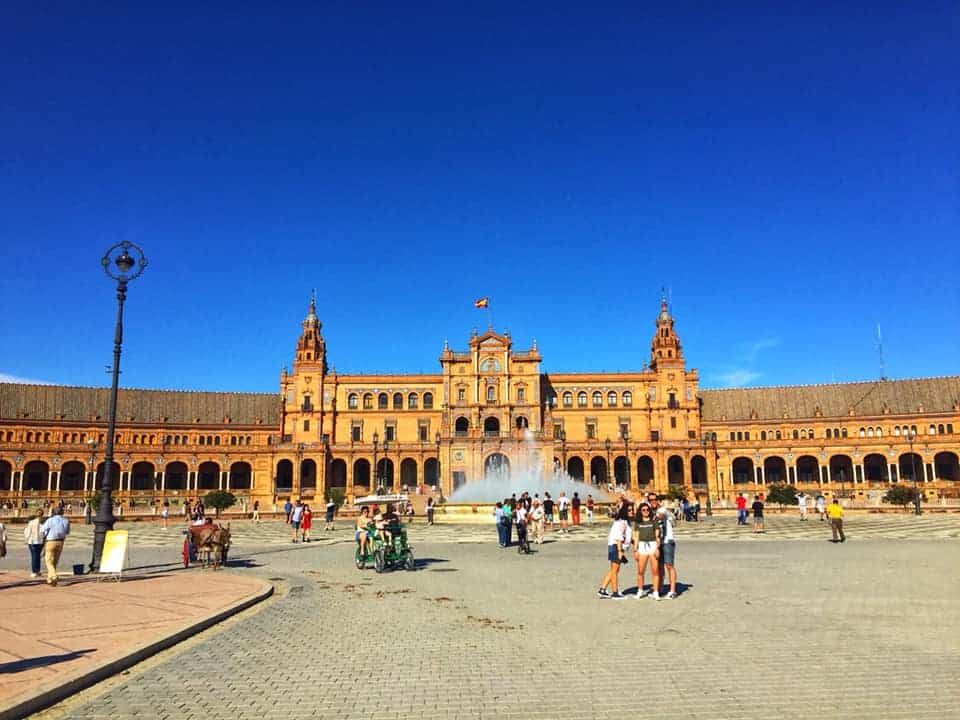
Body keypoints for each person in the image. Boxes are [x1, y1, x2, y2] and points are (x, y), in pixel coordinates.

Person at [598, 505, 631, 599]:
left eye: (632, 510)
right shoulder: (622, 522)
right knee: (615, 570)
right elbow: (619, 537)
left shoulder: (624, 521)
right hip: (616, 546)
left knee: (614, 570)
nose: (631, 511)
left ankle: (603, 589)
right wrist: (620, 551)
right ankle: (615, 592)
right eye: (629, 510)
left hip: (615, 546)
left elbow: (627, 536)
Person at [649, 493, 678, 599]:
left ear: (658, 500)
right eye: (650, 500)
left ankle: (673, 590)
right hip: (658, 543)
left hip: (667, 541)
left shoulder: (662, 510)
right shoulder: (653, 512)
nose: (652, 501)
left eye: (654, 499)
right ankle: (660, 588)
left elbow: (661, 516)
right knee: (660, 566)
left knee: (669, 565)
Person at [632, 503, 660, 599]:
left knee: (655, 571)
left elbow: (657, 536)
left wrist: (657, 548)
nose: (646, 511)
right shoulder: (638, 522)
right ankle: (640, 590)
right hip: (642, 546)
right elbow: (636, 537)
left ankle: (656, 591)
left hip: (652, 545)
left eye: (647, 509)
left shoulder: (654, 520)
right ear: (640, 511)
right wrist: (635, 550)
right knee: (640, 571)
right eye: (643, 510)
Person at [40, 506, 70, 586]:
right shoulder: (66, 520)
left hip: (51, 541)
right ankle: (50, 579)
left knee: (48, 560)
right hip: (61, 542)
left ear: (54, 512)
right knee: (55, 561)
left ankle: (54, 575)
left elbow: (42, 529)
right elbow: (67, 532)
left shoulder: (50, 520)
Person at [24, 509, 44, 578]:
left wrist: (26, 539)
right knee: (37, 556)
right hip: (40, 542)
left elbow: (27, 532)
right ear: (42, 514)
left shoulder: (31, 522)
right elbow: (44, 533)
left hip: (32, 541)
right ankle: (37, 571)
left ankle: (34, 571)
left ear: (36, 514)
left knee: (34, 556)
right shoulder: (43, 522)